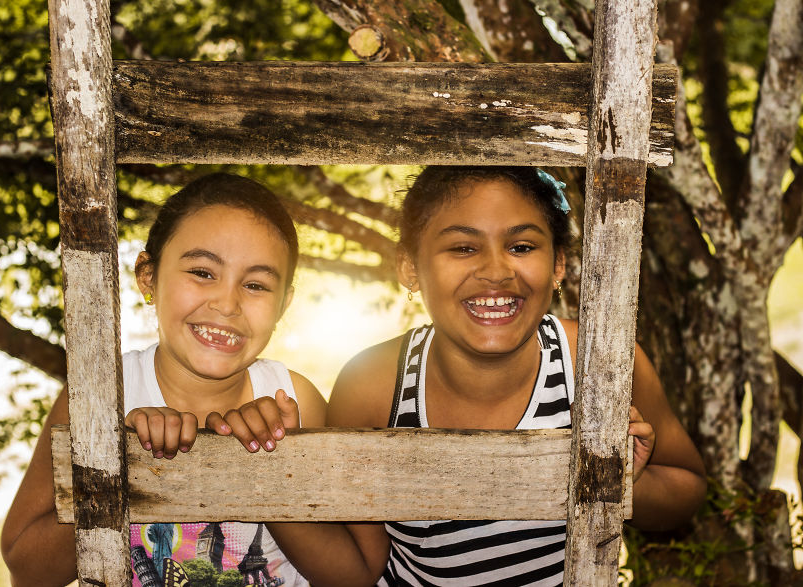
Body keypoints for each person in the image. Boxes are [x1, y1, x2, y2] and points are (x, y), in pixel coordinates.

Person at [229, 166, 707, 587]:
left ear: (559, 262)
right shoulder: (374, 383)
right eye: (462, 247)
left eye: (521, 246)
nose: (496, 270)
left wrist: (622, 482)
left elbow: (686, 490)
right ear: (410, 268)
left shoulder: (597, 365)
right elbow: (358, 562)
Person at [0, 173, 326, 587]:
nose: (227, 303)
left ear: (284, 304)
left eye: (256, 284)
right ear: (148, 276)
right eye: (203, 272)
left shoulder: (293, 401)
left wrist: (278, 471)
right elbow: (27, 571)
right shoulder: (102, 396)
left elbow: (354, 573)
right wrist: (120, 466)